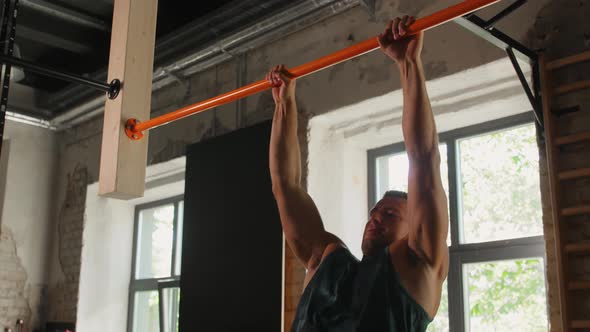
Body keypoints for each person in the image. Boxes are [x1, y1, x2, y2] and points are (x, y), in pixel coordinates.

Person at [268, 15, 449, 332]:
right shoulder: (325, 261)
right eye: (376, 211)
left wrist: (408, 63)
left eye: (391, 213)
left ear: (415, 225)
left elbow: (423, 159)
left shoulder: (418, 264)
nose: (376, 217)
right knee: (330, 252)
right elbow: (285, 187)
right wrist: (284, 105)